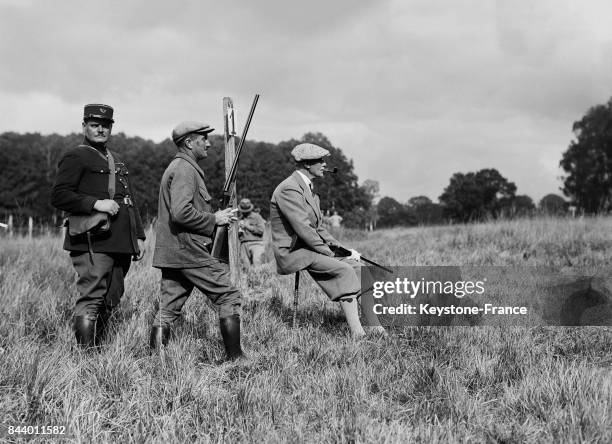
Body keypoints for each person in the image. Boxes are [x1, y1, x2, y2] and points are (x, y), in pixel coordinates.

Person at [51, 104, 145, 348]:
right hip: (93, 239)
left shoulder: (117, 160)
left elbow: (130, 200)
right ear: (84, 127)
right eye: (95, 125)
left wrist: (139, 236)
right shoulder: (76, 156)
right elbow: (60, 196)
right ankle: (87, 358)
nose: (101, 129)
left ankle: (100, 347)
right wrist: (96, 203)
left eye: (105, 125)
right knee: (92, 297)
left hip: (120, 240)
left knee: (112, 297)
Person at [150, 121, 245, 360]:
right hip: (188, 250)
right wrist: (215, 219)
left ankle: (155, 362)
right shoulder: (184, 169)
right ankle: (236, 359)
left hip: (174, 251)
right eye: (204, 139)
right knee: (228, 296)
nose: (209, 143)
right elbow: (180, 213)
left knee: (168, 309)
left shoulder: (179, 167)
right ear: (190, 142)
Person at [269, 143, 383, 339]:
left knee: (359, 267)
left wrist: (344, 250)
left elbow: (319, 228)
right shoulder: (289, 189)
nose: (324, 165)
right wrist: (331, 253)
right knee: (344, 270)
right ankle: (358, 334)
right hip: (295, 251)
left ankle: (376, 327)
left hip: (310, 247)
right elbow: (304, 228)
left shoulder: (309, 190)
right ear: (306, 164)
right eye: (320, 161)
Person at [237, 198, 266, 267]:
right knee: (245, 266)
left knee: (257, 264)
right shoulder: (240, 218)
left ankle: (259, 278)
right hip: (243, 245)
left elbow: (261, 230)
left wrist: (247, 226)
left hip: (256, 244)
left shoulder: (257, 217)